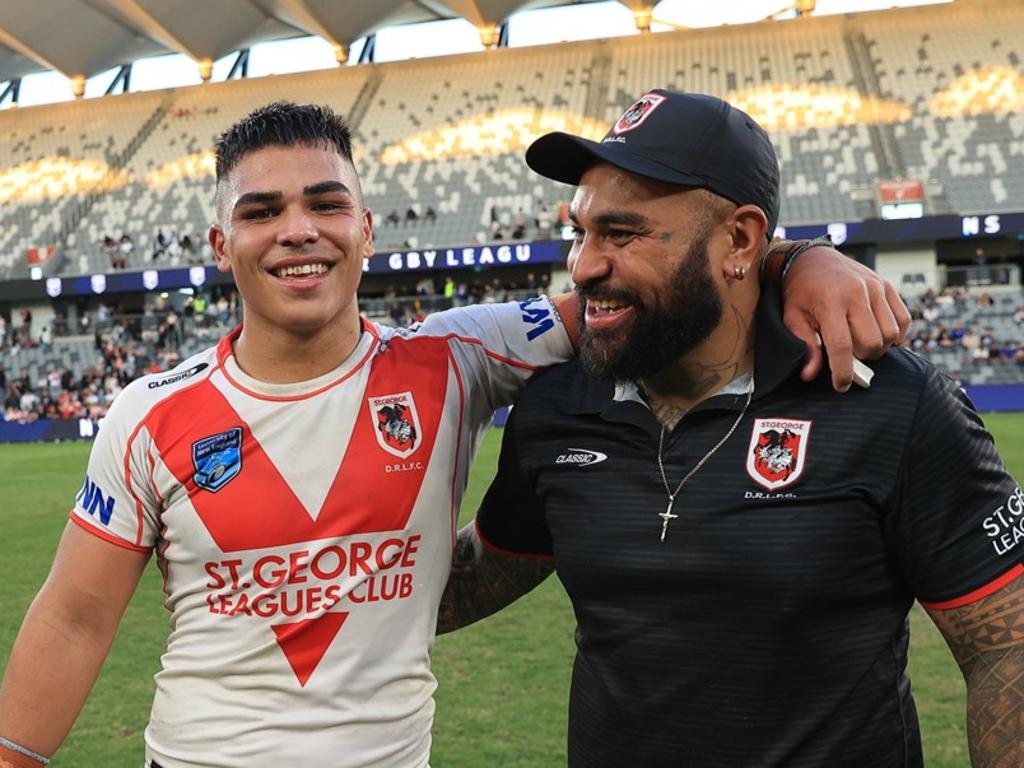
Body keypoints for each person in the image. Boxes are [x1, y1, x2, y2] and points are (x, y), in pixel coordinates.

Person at [0, 100, 905, 768]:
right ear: (218, 243)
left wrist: (797, 257)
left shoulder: (456, 356)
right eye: (261, 211)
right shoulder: (149, 411)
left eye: (324, 203)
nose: (297, 231)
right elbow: (75, 620)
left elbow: (648, 287)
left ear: (366, 228)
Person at [438, 90, 1023, 767]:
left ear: (740, 240)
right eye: (582, 232)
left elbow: (1005, 645)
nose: (584, 265)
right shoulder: (557, 406)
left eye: (621, 234)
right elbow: (477, 576)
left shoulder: (893, 403)